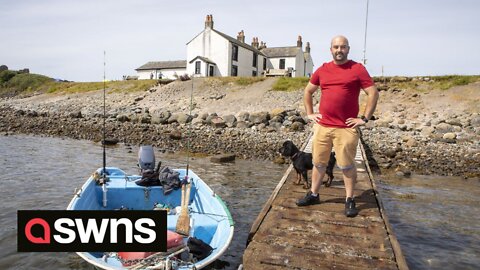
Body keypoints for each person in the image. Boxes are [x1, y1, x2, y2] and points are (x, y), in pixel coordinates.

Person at [296, 35, 379, 218]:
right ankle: (314, 194)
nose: (339, 50)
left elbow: (373, 93)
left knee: (347, 166)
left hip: (346, 128)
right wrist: (310, 113)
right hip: (323, 127)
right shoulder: (323, 69)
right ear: (331, 49)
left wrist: (364, 118)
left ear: (348, 49)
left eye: (342, 47)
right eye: (336, 47)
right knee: (318, 163)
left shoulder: (357, 69)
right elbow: (308, 91)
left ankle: (349, 199)